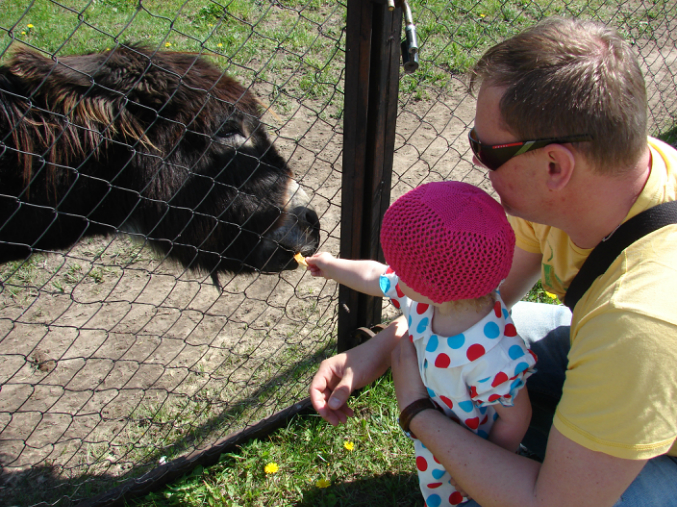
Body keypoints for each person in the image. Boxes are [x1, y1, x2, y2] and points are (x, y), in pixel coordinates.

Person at [309, 16, 677, 507]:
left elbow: (550, 504)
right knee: (496, 331)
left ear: (554, 165)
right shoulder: (611, 179)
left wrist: (417, 410)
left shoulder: (635, 319)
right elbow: (465, 298)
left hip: (649, 387)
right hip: (640, 368)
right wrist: (374, 353)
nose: (477, 163)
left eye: (486, 150)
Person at [306, 181, 537, 506]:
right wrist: (332, 266)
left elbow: (516, 419)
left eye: (403, 271)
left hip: (469, 456)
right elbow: (376, 276)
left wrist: (479, 472)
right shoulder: (431, 295)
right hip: (438, 435)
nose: (396, 275)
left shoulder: (493, 355)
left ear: (432, 285)